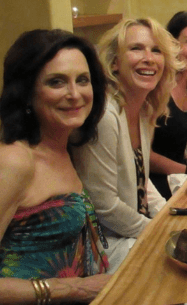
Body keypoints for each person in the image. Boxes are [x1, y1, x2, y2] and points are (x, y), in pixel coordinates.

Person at [0, 29, 111, 303]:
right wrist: (75, 289)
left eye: (82, 80)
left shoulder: (65, 144)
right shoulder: (15, 160)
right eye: (56, 82)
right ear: (26, 93)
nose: (75, 94)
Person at [72, 18, 181, 272]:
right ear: (114, 62)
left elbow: (141, 181)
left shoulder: (142, 107)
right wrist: (157, 230)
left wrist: (167, 215)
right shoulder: (105, 115)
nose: (149, 58)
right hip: (103, 247)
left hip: (130, 231)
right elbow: (105, 207)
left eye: (156, 51)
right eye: (136, 49)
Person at [149, 11, 187, 199]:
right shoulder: (157, 86)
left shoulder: (186, 80)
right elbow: (145, 155)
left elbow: (179, 132)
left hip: (181, 177)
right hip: (158, 188)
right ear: (172, 43)